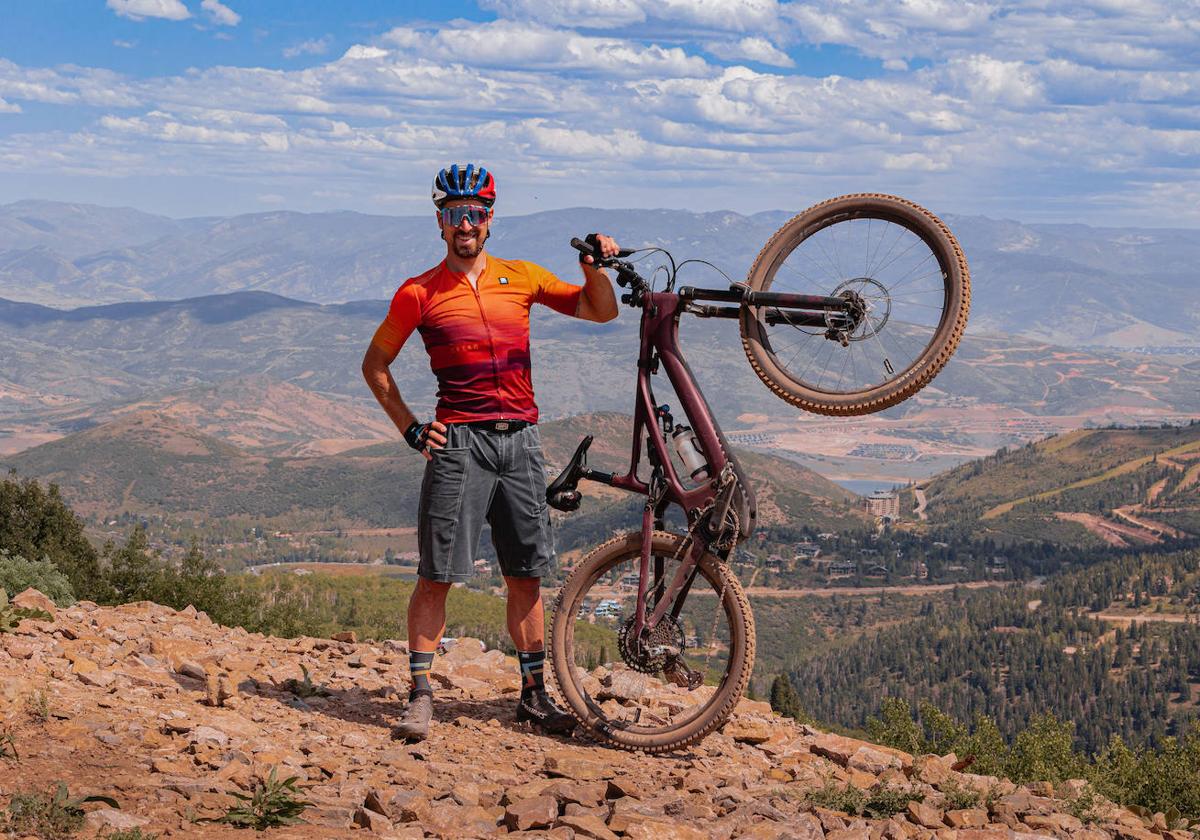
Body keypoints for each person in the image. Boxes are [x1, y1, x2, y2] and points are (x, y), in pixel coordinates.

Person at [361, 163, 620, 741]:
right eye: (455, 215)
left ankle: (532, 698)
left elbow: (601, 310)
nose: (465, 225)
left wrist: (592, 268)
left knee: (525, 575)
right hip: (459, 444)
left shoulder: (522, 278)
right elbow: (374, 365)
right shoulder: (417, 292)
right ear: (440, 223)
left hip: (521, 441)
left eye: (475, 213)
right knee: (437, 575)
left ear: (489, 219)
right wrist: (409, 428)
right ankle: (421, 694)